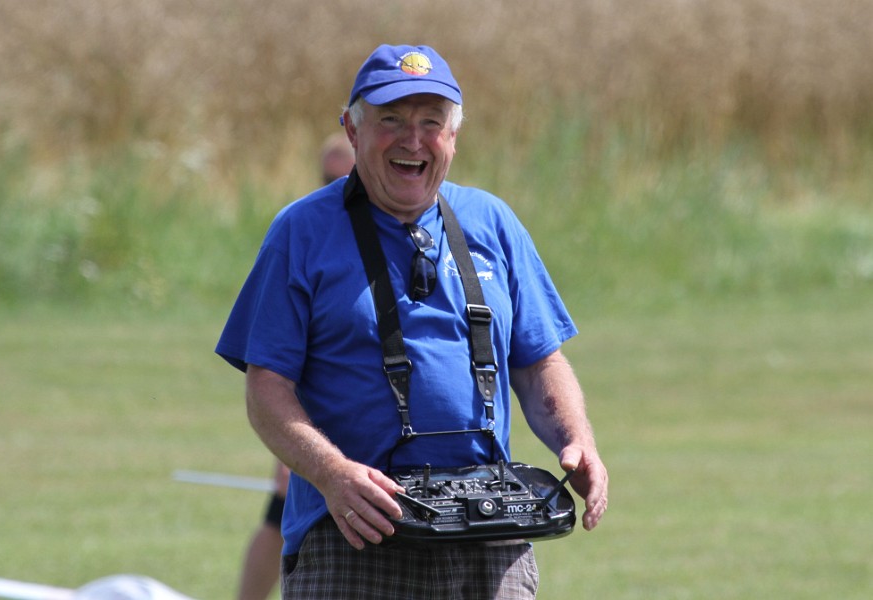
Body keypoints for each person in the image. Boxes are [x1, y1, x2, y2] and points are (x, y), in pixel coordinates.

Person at [217, 44, 608, 599]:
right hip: (356, 532)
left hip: (490, 533)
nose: (413, 140)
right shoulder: (300, 232)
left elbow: (538, 362)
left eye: (431, 122)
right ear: (352, 131)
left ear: (454, 136)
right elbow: (266, 390)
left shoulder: (493, 222)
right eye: (392, 121)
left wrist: (576, 440)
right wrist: (332, 474)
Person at [235, 132, 355, 600]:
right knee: (277, 515)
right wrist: (288, 454)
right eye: (327, 176)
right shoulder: (306, 228)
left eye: (344, 174)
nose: (335, 184)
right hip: (313, 427)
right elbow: (278, 366)